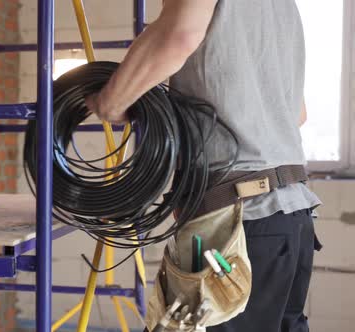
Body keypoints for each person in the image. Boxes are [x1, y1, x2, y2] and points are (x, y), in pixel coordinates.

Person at [85, 1, 322, 331]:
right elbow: (298, 115)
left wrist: (113, 101)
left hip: (238, 222)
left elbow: (179, 35)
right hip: (292, 215)